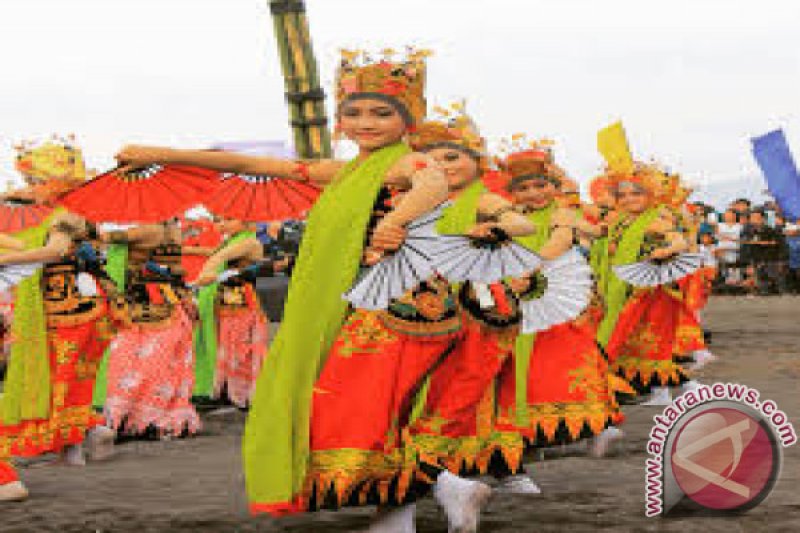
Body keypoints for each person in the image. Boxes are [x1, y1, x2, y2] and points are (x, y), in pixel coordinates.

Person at [115, 48, 490, 533]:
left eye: (381, 112)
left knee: (357, 405)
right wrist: (160, 154)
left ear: (408, 118)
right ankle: (425, 499)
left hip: (393, 306)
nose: (365, 122)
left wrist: (396, 219)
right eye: (353, 112)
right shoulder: (350, 171)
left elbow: (433, 180)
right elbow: (251, 163)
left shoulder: (406, 162)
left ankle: (420, 501)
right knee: (358, 405)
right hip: (363, 304)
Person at [402, 110, 540, 496]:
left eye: (452, 157)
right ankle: (430, 469)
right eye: (433, 159)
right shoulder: (413, 198)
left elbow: (521, 224)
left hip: (474, 302)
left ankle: (504, 465)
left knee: (476, 380)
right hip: (420, 300)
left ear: (476, 164)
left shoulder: (482, 198)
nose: (443, 166)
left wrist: (492, 229)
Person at [0, 138, 118, 502]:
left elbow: (53, 251)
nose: (30, 188)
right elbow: (26, 245)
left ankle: (79, 441)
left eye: (36, 181)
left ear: (54, 182)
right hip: (73, 305)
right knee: (66, 378)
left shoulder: (68, 213)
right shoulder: (60, 213)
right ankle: (86, 436)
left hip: (70, 309)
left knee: (61, 379)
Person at [595, 163, 707, 405]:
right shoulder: (620, 221)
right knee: (633, 344)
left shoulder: (655, 220)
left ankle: (677, 388)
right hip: (624, 288)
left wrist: (665, 251)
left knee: (648, 344)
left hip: (651, 291)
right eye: (622, 194)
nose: (628, 199)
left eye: (636, 193)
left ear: (651, 195)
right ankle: (673, 389)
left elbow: (679, 242)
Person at [100, 218, 200, 438]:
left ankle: (140, 419)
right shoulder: (172, 230)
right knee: (160, 366)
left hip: (148, 309)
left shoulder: (150, 228)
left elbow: (105, 238)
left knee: (135, 365)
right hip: (164, 304)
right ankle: (150, 418)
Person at [741, 210, 783, 294]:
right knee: (756, 280)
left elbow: (776, 245)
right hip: (753, 259)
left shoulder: (771, 231)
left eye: (757, 218)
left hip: (770, 260)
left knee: (771, 279)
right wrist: (749, 263)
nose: (754, 220)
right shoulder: (747, 231)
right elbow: (746, 246)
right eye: (752, 218)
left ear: (763, 219)